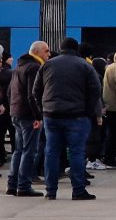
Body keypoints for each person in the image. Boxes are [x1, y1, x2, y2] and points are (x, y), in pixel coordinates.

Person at [32, 37, 101, 201]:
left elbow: (36, 91)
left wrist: (44, 109)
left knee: (51, 152)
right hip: (77, 116)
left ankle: (51, 191)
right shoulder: (85, 65)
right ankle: (78, 190)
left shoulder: (47, 65)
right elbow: (95, 91)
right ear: (76, 49)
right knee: (77, 152)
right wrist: (88, 111)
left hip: (51, 116)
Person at [5, 41, 50, 197]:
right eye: (46, 51)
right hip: (28, 115)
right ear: (36, 52)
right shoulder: (34, 68)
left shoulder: (18, 67)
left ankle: (12, 184)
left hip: (16, 113)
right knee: (29, 150)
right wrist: (38, 115)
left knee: (19, 150)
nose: (48, 54)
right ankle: (24, 186)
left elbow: (10, 92)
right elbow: (33, 94)